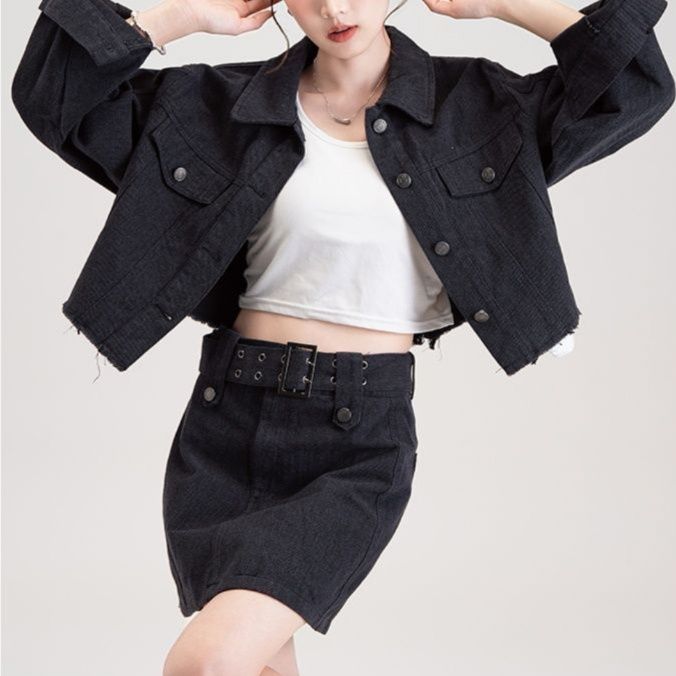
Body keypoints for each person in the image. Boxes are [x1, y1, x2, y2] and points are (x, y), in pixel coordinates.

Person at [11, 0, 673, 674]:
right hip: (225, 426)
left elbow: (635, 86)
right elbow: (51, 97)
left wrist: (501, 3)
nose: (333, 7)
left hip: (357, 438)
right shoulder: (217, 106)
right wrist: (179, 16)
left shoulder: (482, 107)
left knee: (206, 663)